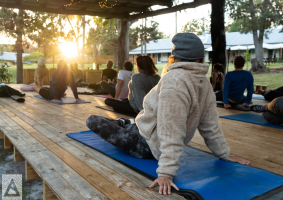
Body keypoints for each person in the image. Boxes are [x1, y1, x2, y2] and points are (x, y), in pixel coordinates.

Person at [86, 33, 250, 196]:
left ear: (175, 57)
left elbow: (171, 129)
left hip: (145, 144)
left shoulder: (174, 81)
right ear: (200, 58)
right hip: (148, 129)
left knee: (93, 120)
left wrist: (166, 172)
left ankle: (125, 123)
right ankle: (126, 123)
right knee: (132, 124)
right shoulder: (205, 84)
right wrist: (224, 153)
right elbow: (210, 126)